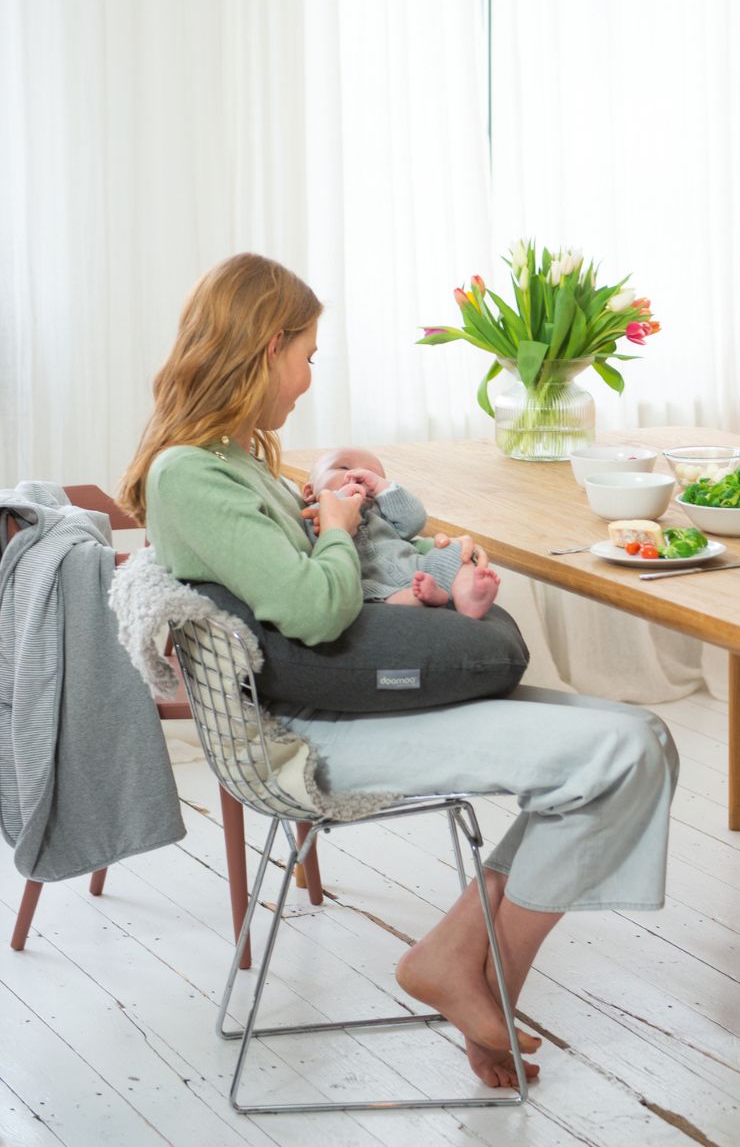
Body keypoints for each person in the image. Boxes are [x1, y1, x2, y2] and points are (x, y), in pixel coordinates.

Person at [118, 253, 679, 1088]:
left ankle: (468, 968)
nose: (309, 378)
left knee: (644, 738)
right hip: (307, 737)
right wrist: (339, 522)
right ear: (269, 347)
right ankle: (482, 979)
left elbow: (318, 587)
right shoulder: (191, 474)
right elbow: (315, 610)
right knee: (622, 754)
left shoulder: (232, 461)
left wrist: (422, 564)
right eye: (307, 355)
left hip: (338, 702)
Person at [301, 445, 500, 618]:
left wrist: (383, 488)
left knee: (456, 551)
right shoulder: (314, 514)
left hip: (414, 565)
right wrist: (338, 498)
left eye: (372, 474)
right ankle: (424, 597)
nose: (357, 475)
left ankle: (469, 596)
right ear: (310, 492)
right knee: (367, 594)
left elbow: (414, 522)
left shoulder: (381, 511)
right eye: (343, 467)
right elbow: (318, 539)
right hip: (369, 579)